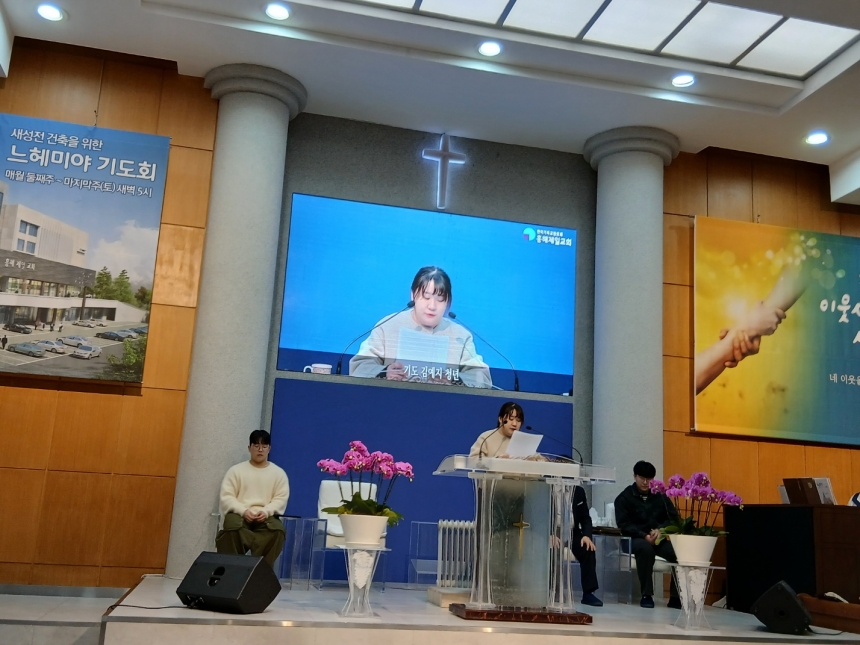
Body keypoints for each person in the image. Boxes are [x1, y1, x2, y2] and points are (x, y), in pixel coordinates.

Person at [349, 266, 492, 388]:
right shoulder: (388, 325)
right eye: (426, 297)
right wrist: (384, 372)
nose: (432, 306)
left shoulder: (460, 335)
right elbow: (359, 366)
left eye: (440, 299)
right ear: (413, 295)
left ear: (448, 302)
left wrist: (454, 379)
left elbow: (482, 378)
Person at [216, 430, 290, 568]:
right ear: (249, 448)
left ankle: (260, 570)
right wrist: (243, 511)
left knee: (278, 531)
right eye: (256, 445)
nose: (260, 449)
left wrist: (266, 511)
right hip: (239, 514)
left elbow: (280, 499)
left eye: (264, 446)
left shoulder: (279, 473)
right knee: (232, 527)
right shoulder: (235, 471)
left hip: (266, 516)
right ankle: (232, 569)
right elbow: (227, 497)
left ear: (269, 448)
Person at [614, 461, 682, 609]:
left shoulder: (660, 496)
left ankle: (676, 597)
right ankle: (646, 594)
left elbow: (673, 518)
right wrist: (643, 535)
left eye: (649, 479)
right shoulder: (624, 497)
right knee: (645, 549)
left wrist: (661, 530)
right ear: (635, 476)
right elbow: (623, 525)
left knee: (678, 552)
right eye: (642, 478)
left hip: (657, 538)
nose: (645, 482)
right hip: (633, 539)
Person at [570, 484, 603, 607]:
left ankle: (588, 593)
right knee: (549, 548)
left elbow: (585, 518)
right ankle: (547, 589)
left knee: (588, 548)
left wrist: (587, 535)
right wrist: (549, 533)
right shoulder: (547, 487)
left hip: (572, 532)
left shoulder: (578, 491)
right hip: (552, 531)